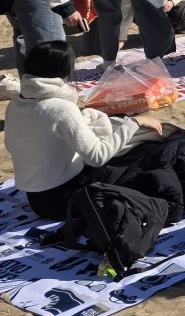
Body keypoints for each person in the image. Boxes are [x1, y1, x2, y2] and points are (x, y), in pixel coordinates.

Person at [2, 41, 167, 220]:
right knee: (143, 155)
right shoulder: (61, 108)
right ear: (65, 71)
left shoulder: (15, 104)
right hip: (65, 200)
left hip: (35, 200)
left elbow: (13, 145)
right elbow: (97, 157)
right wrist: (133, 122)